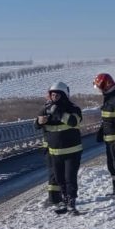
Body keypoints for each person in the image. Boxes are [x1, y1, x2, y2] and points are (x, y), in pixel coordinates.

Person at [35, 82, 83, 214]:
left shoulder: (73, 108)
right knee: (60, 179)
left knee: (69, 178)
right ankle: (65, 201)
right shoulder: (46, 109)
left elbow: (74, 121)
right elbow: (36, 124)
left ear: (64, 95)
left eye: (57, 95)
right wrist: (39, 121)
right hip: (55, 152)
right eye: (52, 95)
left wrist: (59, 113)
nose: (54, 97)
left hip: (72, 151)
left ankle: (72, 203)